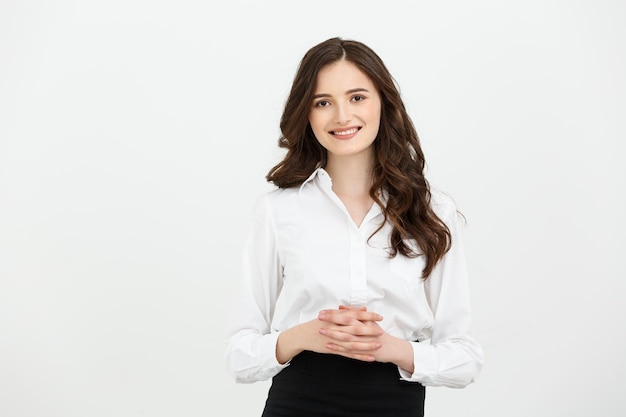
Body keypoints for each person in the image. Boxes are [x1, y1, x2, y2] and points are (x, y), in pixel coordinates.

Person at [224, 37, 484, 417]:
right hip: (297, 401)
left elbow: (464, 357)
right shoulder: (278, 210)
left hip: (393, 404)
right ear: (307, 114)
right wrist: (305, 336)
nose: (342, 115)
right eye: (323, 102)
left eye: (357, 97)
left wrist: (389, 347)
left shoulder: (432, 211)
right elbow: (238, 354)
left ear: (383, 102)